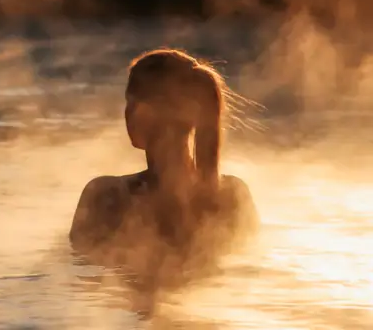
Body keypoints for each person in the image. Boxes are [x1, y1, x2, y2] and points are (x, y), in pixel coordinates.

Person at [69, 48, 258, 284]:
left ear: (142, 112)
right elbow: (250, 271)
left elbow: (79, 273)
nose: (126, 113)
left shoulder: (106, 196)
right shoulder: (233, 195)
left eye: (131, 102)